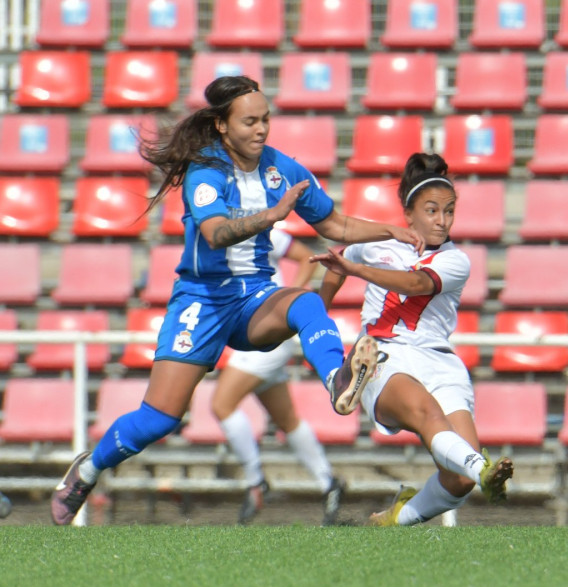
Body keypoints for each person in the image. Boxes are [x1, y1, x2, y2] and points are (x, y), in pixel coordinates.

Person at [50, 75, 423, 526]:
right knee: (160, 419)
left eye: (265, 119)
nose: (262, 129)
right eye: (250, 121)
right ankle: (86, 471)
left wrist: (392, 229)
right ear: (223, 126)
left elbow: (336, 225)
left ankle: (338, 380)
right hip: (201, 299)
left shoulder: (281, 168)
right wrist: (271, 215)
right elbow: (214, 232)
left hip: (254, 298)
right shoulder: (206, 171)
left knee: (306, 304)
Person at [313, 152, 514, 526]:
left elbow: (415, 284)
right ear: (409, 214)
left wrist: (355, 269)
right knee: (430, 417)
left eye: (449, 211)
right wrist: (318, 313)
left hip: (439, 361)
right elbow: (338, 261)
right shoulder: (376, 244)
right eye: (432, 210)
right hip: (383, 355)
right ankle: (484, 470)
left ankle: (394, 519)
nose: (442, 220)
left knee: (457, 479)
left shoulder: (456, 261)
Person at [211, 228, 346, 525]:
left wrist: (286, 305)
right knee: (287, 420)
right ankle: (329, 483)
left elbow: (306, 260)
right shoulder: (220, 229)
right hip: (251, 331)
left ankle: (255, 480)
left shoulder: (262, 228)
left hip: (265, 332)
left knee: (221, 404)